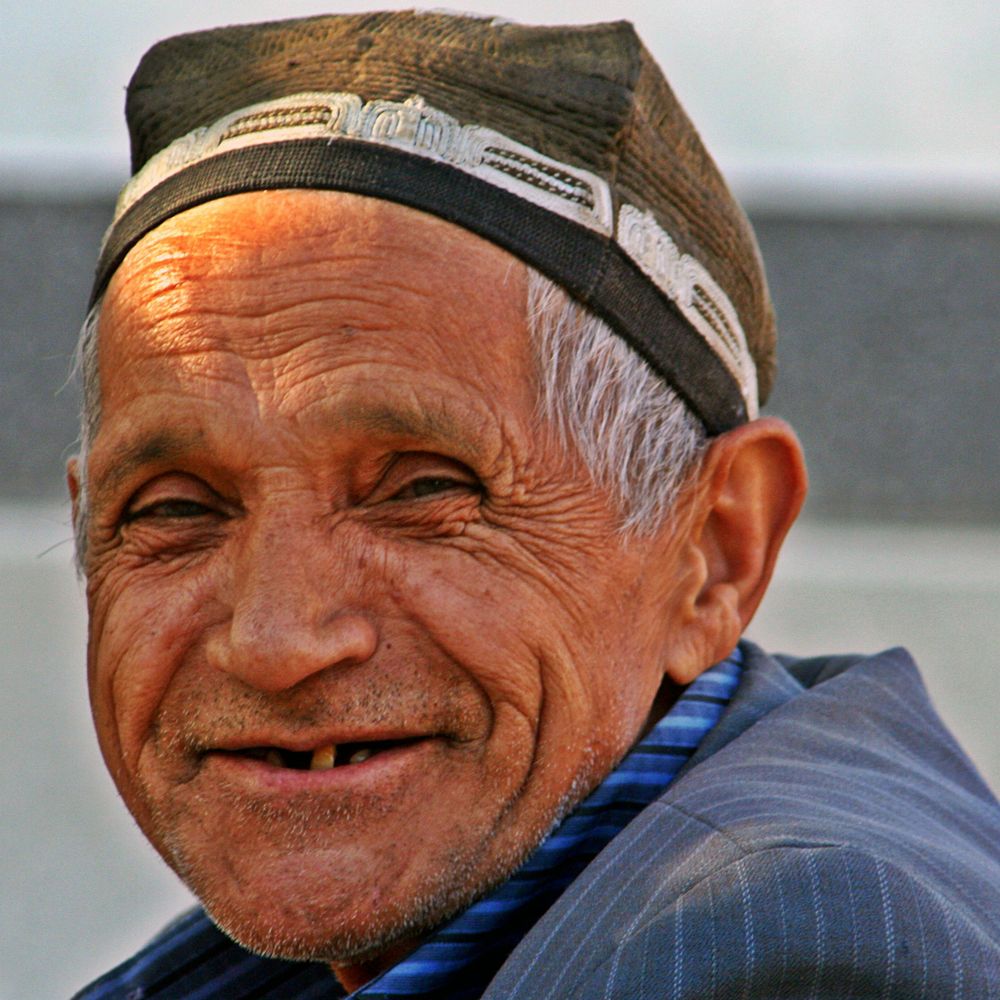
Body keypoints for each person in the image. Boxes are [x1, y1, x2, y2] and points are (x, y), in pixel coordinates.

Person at [71, 12, 999, 999]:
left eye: (424, 489)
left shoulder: (779, 946)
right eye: (173, 510)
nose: (275, 640)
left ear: (713, 549)